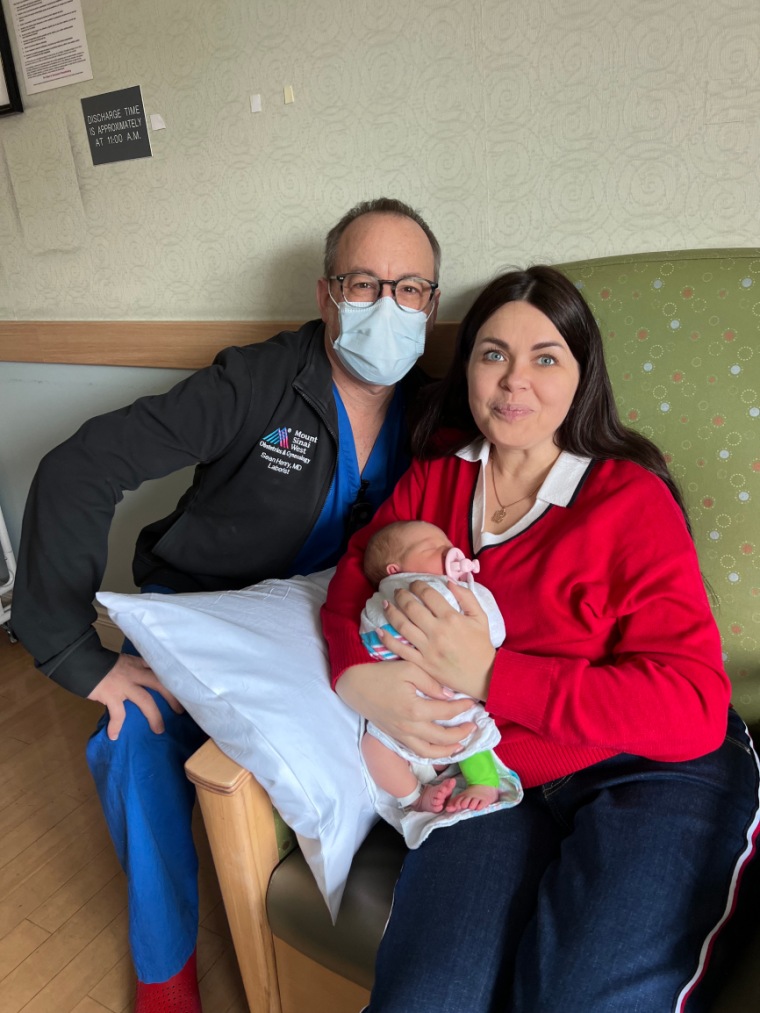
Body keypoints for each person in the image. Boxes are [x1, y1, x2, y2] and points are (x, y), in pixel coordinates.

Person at [12, 198, 479, 1013]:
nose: (389, 305)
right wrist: (73, 655)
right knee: (134, 737)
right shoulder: (256, 382)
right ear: (328, 291)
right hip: (203, 610)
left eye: (411, 289)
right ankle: (164, 969)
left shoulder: (432, 415)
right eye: (365, 282)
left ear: (432, 305)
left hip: (319, 630)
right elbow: (79, 468)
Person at [322, 265, 760, 1012]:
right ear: (467, 369)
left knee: (582, 998)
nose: (513, 381)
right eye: (493, 354)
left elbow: (689, 706)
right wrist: (354, 679)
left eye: (545, 357)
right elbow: (347, 596)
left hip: (648, 766)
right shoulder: (432, 484)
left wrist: (494, 674)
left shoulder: (628, 498)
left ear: (582, 375)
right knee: (425, 999)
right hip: (493, 781)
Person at [360, 519, 505, 813]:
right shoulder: (383, 601)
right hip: (399, 712)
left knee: (471, 734)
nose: (450, 551)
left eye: (449, 546)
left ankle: (484, 782)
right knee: (373, 747)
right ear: (394, 570)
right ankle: (414, 797)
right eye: (433, 548)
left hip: (453, 700)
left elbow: (495, 633)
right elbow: (371, 641)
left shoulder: (465, 591)